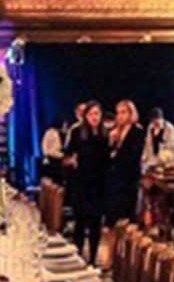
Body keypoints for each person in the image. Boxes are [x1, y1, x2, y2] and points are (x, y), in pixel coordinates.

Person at [64, 101, 108, 265]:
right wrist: (71, 161)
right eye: (91, 114)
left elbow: (107, 157)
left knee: (96, 223)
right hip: (81, 182)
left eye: (97, 114)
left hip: (99, 184)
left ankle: (93, 257)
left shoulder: (105, 133)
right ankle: (78, 256)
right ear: (85, 116)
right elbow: (67, 154)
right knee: (80, 222)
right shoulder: (77, 132)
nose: (94, 117)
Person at [105, 100, 145, 229]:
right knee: (113, 211)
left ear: (131, 113)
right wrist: (112, 142)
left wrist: (118, 150)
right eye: (118, 113)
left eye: (124, 112)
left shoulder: (137, 131)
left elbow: (134, 154)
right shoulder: (115, 131)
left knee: (127, 211)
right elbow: (108, 153)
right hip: (115, 176)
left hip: (129, 176)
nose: (120, 116)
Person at [40, 116, 67, 183]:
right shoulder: (50, 132)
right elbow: (45, 146)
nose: (65, 126)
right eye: (64, 124)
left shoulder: (63, 133)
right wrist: (46, 155)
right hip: (52, 158)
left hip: (60, 158)